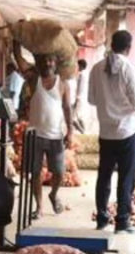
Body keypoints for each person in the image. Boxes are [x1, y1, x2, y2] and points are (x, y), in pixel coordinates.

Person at [88, 30, 135, 233]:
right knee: (126, 177)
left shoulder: (96, 69)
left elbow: (92, 100)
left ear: (111, 44)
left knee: (103, 176)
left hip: (106, 132)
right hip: (127, 132)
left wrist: (109, 104)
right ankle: (122, 221)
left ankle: (102, 218)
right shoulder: (129, 69)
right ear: (128, 48)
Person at [24, 51, 74, 217]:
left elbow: (67, 108)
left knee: (59, 172)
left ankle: (53, 194)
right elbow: (20, 62)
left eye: (51, 60)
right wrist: (18, 42)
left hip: (56, 136)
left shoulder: (62, 84)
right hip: (35, 135)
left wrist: (71, 131)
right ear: (39, 63)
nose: (48, 63)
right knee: (36, 173)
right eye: (44, 60)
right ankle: (39, 207)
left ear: (56, 63)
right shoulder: (33, 80)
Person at [72, 58, 90, 132]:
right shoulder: (84, 74)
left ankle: (82, 131)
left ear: (81, 66)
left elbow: (80, 88)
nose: (76, 67)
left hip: (79, 98)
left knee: (72, 117)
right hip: (81, 98)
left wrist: (77, 99)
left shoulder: (82, 75)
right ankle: (83, 131)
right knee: (79, 117)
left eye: (77, 66)